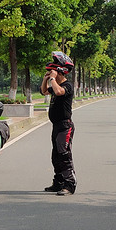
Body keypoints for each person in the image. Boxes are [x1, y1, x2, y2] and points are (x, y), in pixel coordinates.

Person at [40, 50, 77, 196]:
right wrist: (46, 78)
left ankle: (70, 184)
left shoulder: (67, 86)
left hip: (65, 126)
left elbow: (60, 92)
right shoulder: (54, 85)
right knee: (55, 156)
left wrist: (54, 79)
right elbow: (44, 91)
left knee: (64, 155)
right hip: (56, 126)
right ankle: (58, 182)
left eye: (55, 71)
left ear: (61, 72)